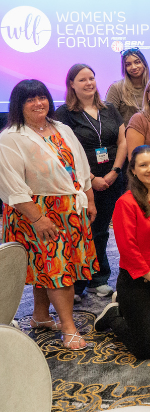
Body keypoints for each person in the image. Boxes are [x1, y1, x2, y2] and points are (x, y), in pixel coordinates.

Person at [0, 80, 98, 350]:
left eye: (42, 97)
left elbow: (81, 165)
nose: (38, 103)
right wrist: (38, 218)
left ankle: (41, 316)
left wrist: (88, 198)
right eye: (30, 99)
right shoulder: (10, 137)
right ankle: (69, 328)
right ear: (19, 105)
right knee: (57, 270)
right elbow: (11, 186)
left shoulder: (62, 128)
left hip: (69, 209)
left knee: (46, 266)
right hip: (35, 213)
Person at [93, 145, 150, 359]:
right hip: (138, 279)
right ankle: (114, 314)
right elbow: (128, 250)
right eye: (143, 165)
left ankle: (134, 313)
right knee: (146, 349)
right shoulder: (126, 203)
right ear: (133, 170)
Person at [56, 64, 127, 298]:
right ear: (71, 85)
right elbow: (62, 151)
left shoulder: (108, 109)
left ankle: (98, 279)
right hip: (81, 183)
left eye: (92, 78)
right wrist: (91, 179)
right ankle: (76, 284)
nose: (89, 83)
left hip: (112, 178)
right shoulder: (63, 114)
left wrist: (114, 172)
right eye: (82, 79)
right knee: (79, 231)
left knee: (100, 231)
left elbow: (122, 141)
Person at [106, 47, 150, 125]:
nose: (133, 67)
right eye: (128, 64)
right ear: (124, 68)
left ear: (144, 63)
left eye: (137, 62)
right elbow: (108, 118)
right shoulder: (117, 88)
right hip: (125, 135)